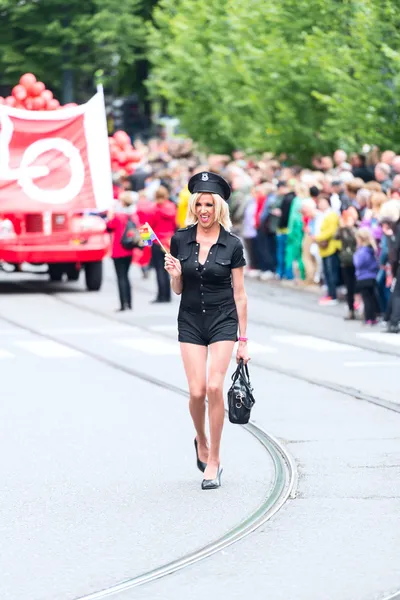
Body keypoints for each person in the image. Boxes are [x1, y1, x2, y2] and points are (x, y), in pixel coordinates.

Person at [164, 171, 250, 490]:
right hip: (189, 320)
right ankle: (200, 438)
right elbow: (177, 288)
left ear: (218, 208)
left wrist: (243, 340)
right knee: (197, 391)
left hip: (223, 319)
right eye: (199, 204)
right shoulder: (180, 239)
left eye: (209, 205)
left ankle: (214, 458)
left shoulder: (233, 245)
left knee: (215, 386)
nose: (203, 210)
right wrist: (174, 274)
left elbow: (240, 294)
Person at [106, 192, 139, 311]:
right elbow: (144, 232)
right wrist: (145, 246)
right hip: (129, 250)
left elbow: (108, 226)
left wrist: (110, 214)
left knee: (121, 277)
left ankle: (123, 304)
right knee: (126, 276)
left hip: (118, 250)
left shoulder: (118, 216)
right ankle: (129, 303)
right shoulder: (134, 216)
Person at [148, 185, 177, 303]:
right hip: (169, 241)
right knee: (169, 269)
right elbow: (175, 224)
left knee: (159, 269)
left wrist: (147, 243)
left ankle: (161, 296)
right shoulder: (172, 207)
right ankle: (168, 295)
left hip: (157, 241)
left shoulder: (153, 209)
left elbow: (147, 226)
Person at [353, 228, 380, 324]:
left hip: (363, 277)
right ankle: (373, 317)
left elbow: (357, 263)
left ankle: (368, 318)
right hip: (372, 276)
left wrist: (356, 253)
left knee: (366, 298)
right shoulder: (371, 249)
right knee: (371, 298)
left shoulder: (362, 251)